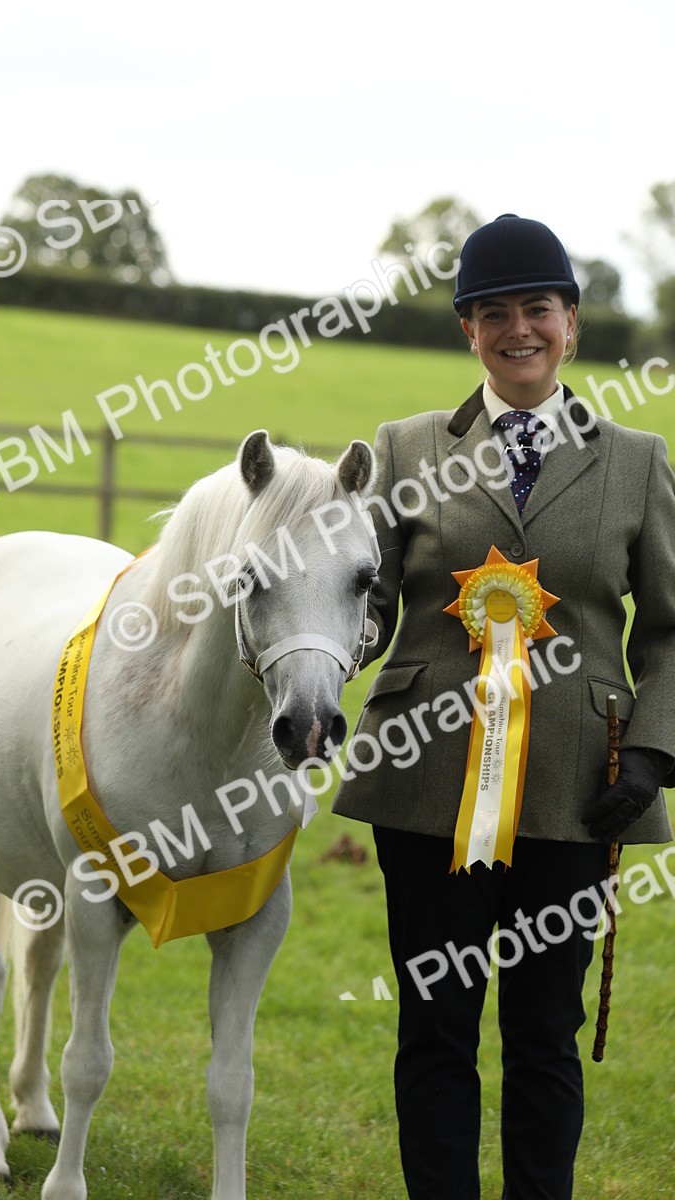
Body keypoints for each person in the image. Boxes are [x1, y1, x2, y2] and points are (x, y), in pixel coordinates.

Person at [333, 213, 675, 1199]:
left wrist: (649, 752)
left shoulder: (635, 460)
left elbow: (666, 628)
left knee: (542, 1032)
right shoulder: (403, 449)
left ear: (569, 323)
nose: (514, 327)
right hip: (422, 785)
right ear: (464, 331)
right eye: (491, 313)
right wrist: (311, 666)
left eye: (536, 308)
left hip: (579, 787)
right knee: (433, 1025)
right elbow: (368, 604)